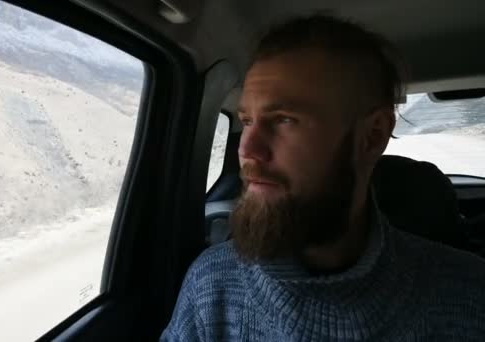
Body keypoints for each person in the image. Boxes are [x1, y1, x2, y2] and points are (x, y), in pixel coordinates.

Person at [160, 14, 485, 341]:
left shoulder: (470, 300)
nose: (248, 151)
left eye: (285, 119)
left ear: (372, 137)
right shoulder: (212, 285)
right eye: (247, 121)